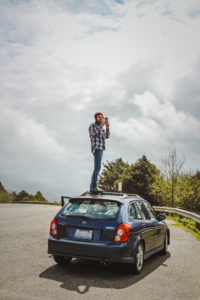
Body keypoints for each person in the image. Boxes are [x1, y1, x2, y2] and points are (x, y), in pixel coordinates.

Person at [88, 112, 110, 192]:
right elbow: (93, 134)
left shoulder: (102, 128)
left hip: (101, 148)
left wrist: (107, 128)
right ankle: (93, 187)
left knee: (97, 167)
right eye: (99, 117)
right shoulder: (92, 126)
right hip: (96, 148)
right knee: (97, 167)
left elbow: (107, 137)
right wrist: (101, 126)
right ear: (96, 118)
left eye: (102, 117)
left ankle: (93, 187)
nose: (101, 119)